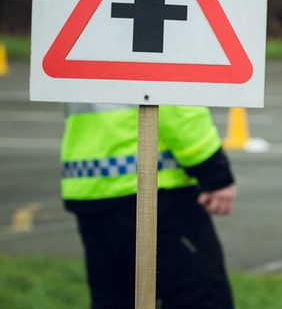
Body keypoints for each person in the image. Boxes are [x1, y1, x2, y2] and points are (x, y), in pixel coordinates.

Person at [61, 104, 236, 309]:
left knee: (115, 300)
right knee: (201, 296)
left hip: (90, 183)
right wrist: (213, 170)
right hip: (154, 188)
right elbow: (173, 93)